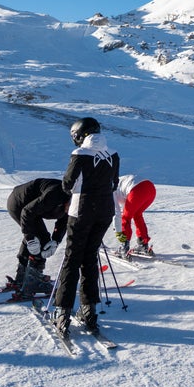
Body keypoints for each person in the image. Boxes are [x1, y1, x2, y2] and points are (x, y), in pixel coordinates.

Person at [52, 117, 120, 337]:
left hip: (81, 212)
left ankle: (62, 312)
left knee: (72, 259)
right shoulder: (113, 154)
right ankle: (89, 311)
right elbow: (114, 183)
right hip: (105, 211)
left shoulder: (80, 155)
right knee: (90, 258)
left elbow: (67, 185)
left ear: (80, 134)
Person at [6, 178, 69, 299]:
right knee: (41, 239)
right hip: (18, 203)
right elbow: (27, 212)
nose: (70, 211)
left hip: (30, 207)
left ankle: (23, 275)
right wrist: (29, 237)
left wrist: (55, 241)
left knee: (40, 238)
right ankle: (32, 282)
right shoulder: (55, 195)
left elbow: (63, 223)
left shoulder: (71, 205)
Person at [113, 175, 158, 257]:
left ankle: (124, 246)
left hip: (137, 189)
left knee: (126, 217)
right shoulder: (118, 183)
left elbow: (117, 213)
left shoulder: (110, 190)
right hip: (151, 188)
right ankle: (143, 243)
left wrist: (118, 232)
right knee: (137, 215)